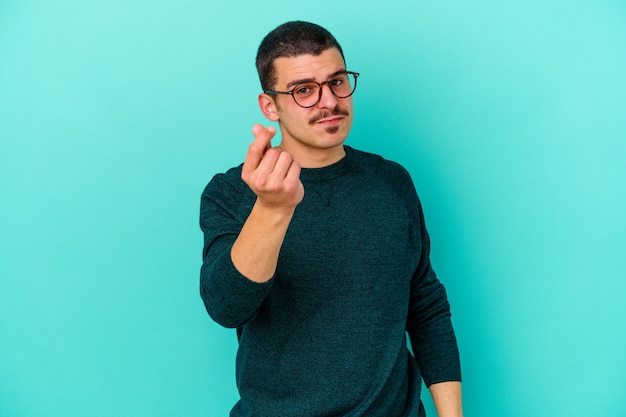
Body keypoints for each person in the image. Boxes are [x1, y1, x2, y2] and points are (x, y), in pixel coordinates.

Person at [199, 21, 463, 417]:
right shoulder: (232, 193)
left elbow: (425, 306)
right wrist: (272, 209)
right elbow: (226, 307)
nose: (329, 101)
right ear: (270, 106)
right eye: (304, 90)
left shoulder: (392, 181)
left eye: (337, 81)